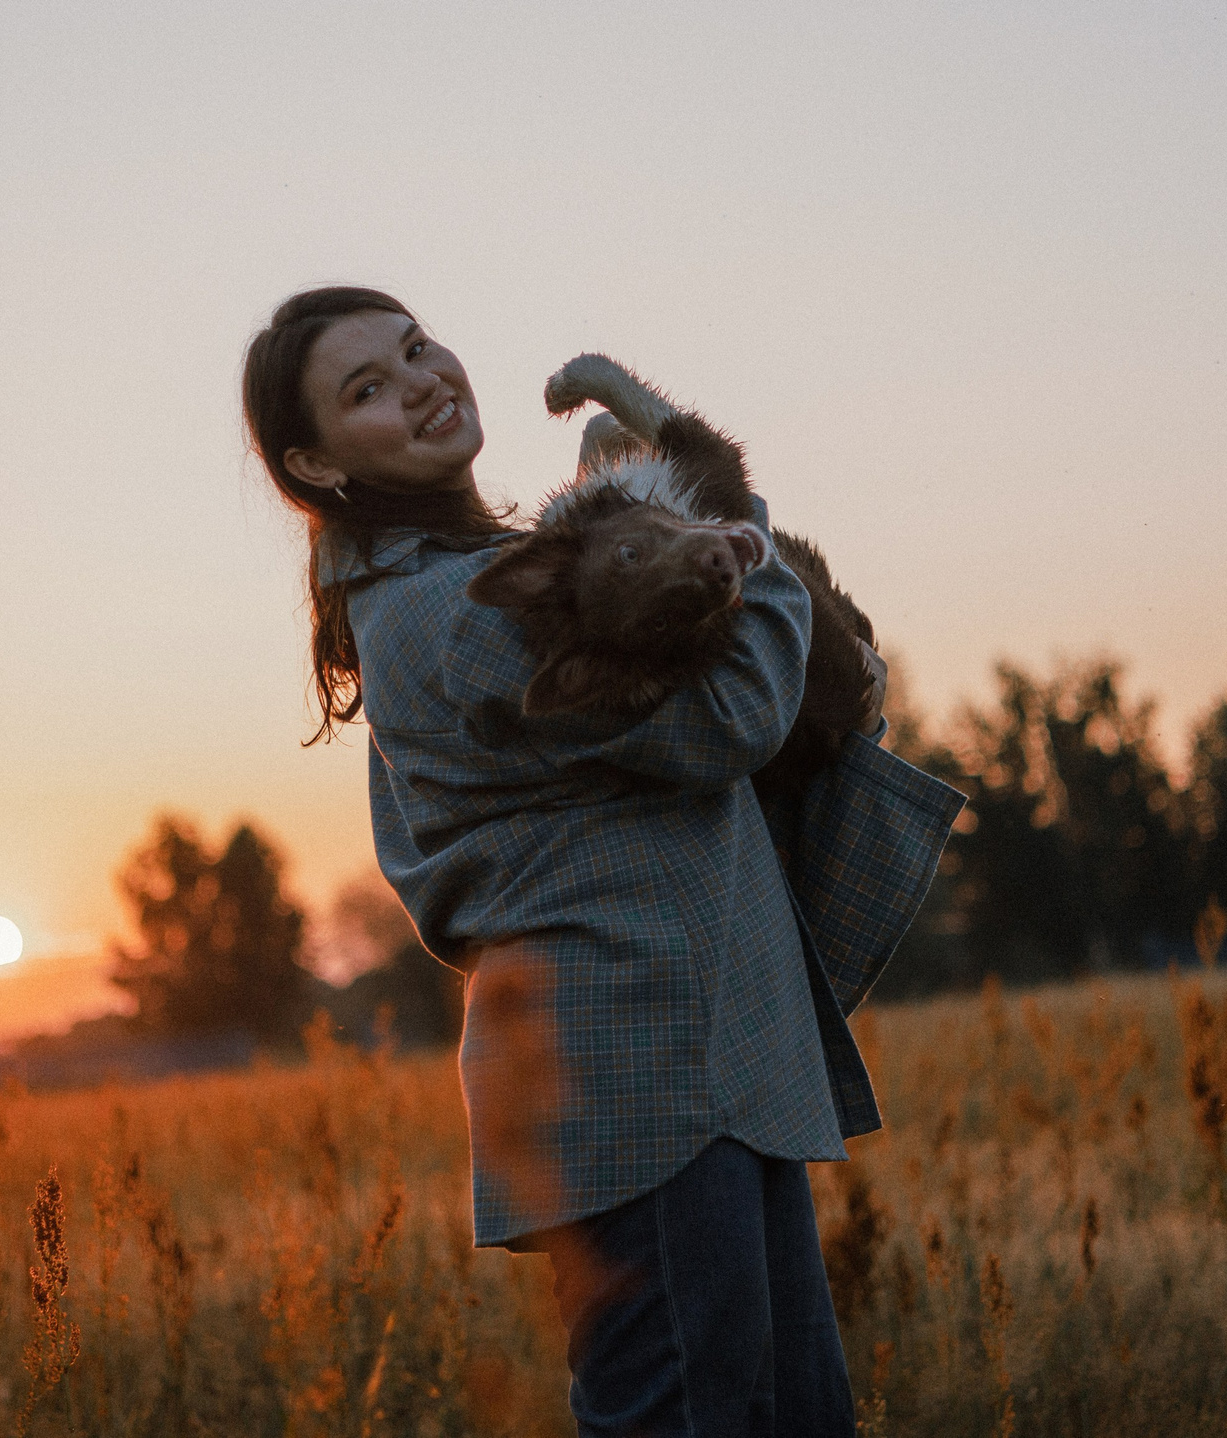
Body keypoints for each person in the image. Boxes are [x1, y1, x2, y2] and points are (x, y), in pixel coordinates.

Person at [241, 286, 961, 1436]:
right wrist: (724, 527)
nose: (422, 380)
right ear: (317, 465)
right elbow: (735, 715)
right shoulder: (446, 610)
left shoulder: (484, 574)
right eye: (365, 388)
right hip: (638, 1071)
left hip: (692, 1058)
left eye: (417, 348)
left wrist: (651, 515)